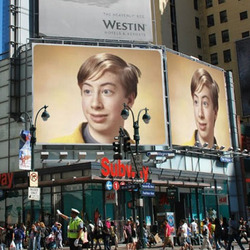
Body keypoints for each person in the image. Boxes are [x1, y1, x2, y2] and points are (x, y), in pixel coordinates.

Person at [50, 52, 141, 144]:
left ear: (129, 100)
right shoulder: (52, 149)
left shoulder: (142, 155)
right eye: (88, 91)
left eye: (106, 92)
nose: (95, 104)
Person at [185, 68, 220, 148]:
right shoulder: (181, 151)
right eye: (196, 102)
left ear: (215, 111)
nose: (200, 114)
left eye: (205, 103)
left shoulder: (224, 155)